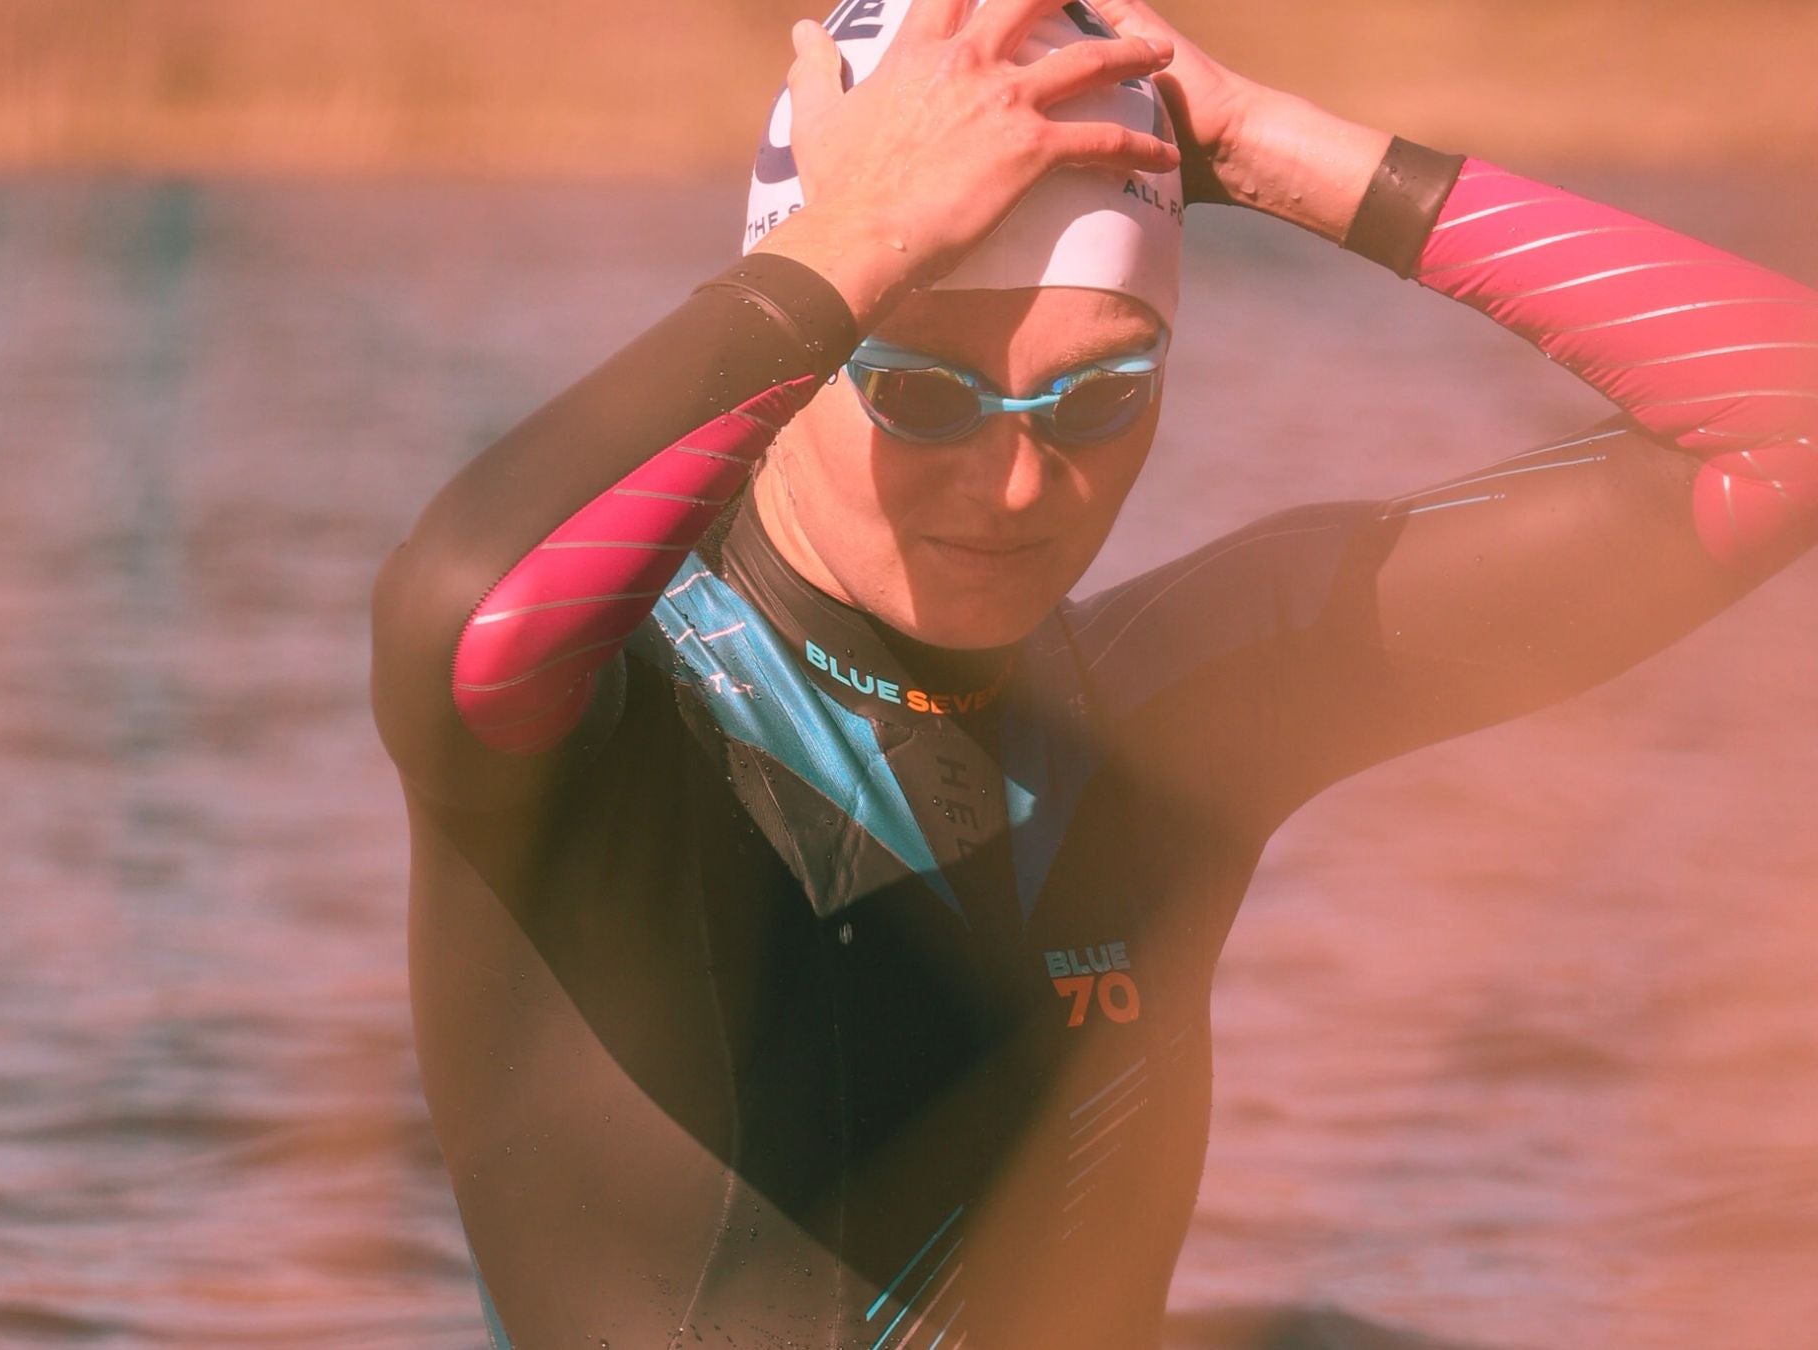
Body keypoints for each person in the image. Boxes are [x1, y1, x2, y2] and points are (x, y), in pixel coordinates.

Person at [368, 0, 1818, 1343]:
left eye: (1101, 392)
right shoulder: (619, 739)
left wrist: (1267, 151)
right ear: (806, 348)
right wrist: (855, 238)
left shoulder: (1184, 708)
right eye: (926, 392)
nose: (1015, 484)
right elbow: (466, 620)